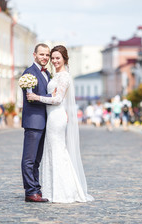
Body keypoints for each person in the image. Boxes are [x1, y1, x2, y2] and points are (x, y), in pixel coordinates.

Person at [27, 45, 94, 203]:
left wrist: (37, 97)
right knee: (52, 152)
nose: (55, 61)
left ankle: (64, 191)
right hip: (51, 116)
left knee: (58, 152)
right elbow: (52, 95)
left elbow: (57, 100)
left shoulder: (64, 76)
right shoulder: (55, 75)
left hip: (56, 117)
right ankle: (52, 190)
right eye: (53, 58)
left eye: (58, 58)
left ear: (65, 59)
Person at [21, 43, 53, 203]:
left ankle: (36, 189)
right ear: (34, 55)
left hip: (44, 121)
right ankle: (31, 191)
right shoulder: (29, 73)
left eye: (47, 55)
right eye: (42, 54)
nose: (45, 58)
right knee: (29, 159)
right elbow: (31, 98)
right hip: (33, 121)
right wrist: (52, 97)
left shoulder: (47, 73)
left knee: (37, 160)